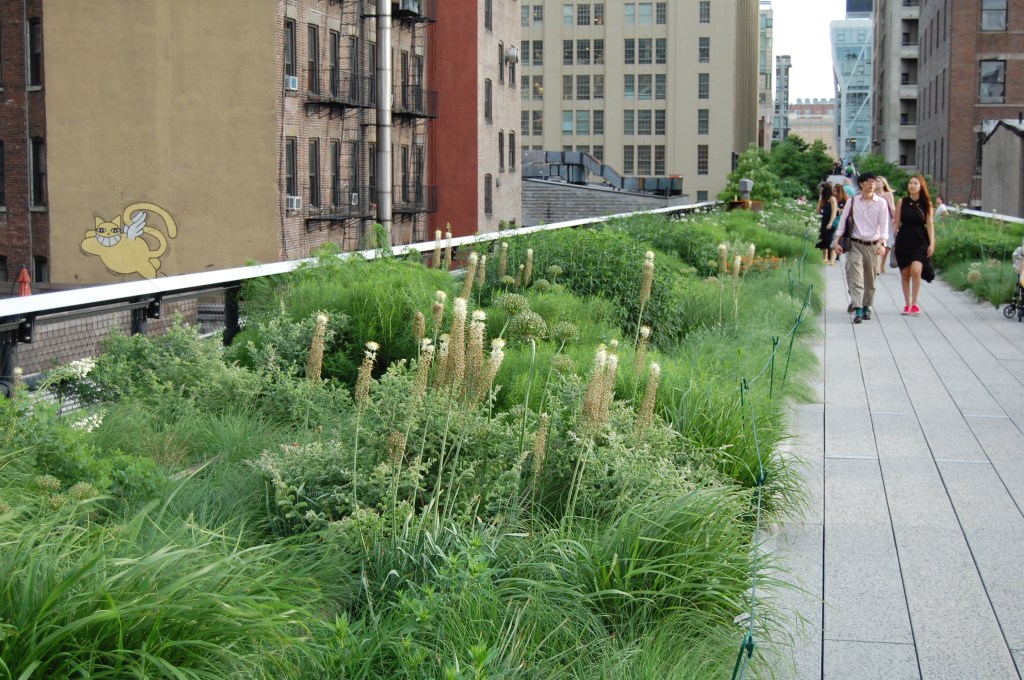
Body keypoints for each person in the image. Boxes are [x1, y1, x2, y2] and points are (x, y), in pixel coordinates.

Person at [833, 171, 890, 324]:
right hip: (855, 244)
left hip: (873, 245)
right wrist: (836, 241)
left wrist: (883, 244)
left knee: (870, 280)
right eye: (868, 181)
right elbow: (843, 222)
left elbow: (884, 226)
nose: (872, 184)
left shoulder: (881, 203)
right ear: (861, 184)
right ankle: (858, 309)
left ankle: (866, 306)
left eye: (874, 181)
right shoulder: (852, 202)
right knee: (855, 277)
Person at [893, 175, 936, 316]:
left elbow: (929, 224)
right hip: (904, 239)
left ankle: (915, 303)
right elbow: (896, 222)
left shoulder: (926, 203)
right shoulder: (902, 202)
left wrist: (932, 243)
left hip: (920, 240)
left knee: (916, 270)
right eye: (910, 183)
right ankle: (907, 304)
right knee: (905, 273)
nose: (912, 185)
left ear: (921, 186)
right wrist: (890, 237)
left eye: (915, 183)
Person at [875, 176, 897, 274]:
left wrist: (895, 219)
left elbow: (892, 208)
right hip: (875, 221)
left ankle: (882, 263)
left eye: (879, 181)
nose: (877, 183)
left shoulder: (888, 194)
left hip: (886, 220)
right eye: (876, 181)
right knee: (877, 242)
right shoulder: (873, 194)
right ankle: (877, 265)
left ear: (884, 183)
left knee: (887, 244)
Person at [816, 182, 839, 265]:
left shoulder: (832, 199)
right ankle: (825, 257)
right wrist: (819, 201)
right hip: (824, 220)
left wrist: (830, 223)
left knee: (831, 239)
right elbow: (818, 211)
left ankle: (832, 259)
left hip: (830, 220)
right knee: (824, 238)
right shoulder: (823, 200)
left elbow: (834, 211)